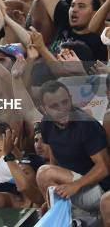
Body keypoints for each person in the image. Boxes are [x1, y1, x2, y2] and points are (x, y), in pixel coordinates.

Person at [36, 81, 110, 212]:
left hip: (100, 190)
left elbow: (104, 167)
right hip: (74, 184)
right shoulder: (46, 124)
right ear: (43, 109)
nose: (62, 109)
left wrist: (76, 185)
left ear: (70, 98)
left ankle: (63, 215)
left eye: (65, 102)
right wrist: (50, 198)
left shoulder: (86, 125)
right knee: (46, 173)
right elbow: (54, 158)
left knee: (44, 173)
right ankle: (63, 214)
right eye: (54, 106)